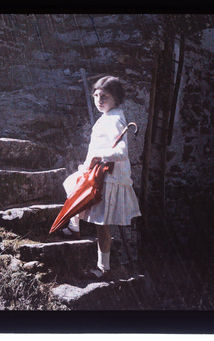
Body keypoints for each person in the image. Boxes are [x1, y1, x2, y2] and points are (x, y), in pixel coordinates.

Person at [61, 76, 141, 279]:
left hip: (109, 178)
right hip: (98, 174)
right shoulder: (106, 118)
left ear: (115, 98)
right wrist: (87, 165)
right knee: (71, 184)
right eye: (96, 96)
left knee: (102, 225)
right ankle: (74, 227)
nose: (99, 100)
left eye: (104, 96)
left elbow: (122, 152)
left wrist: (99, 157)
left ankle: (103, 268)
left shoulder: (115, 119)